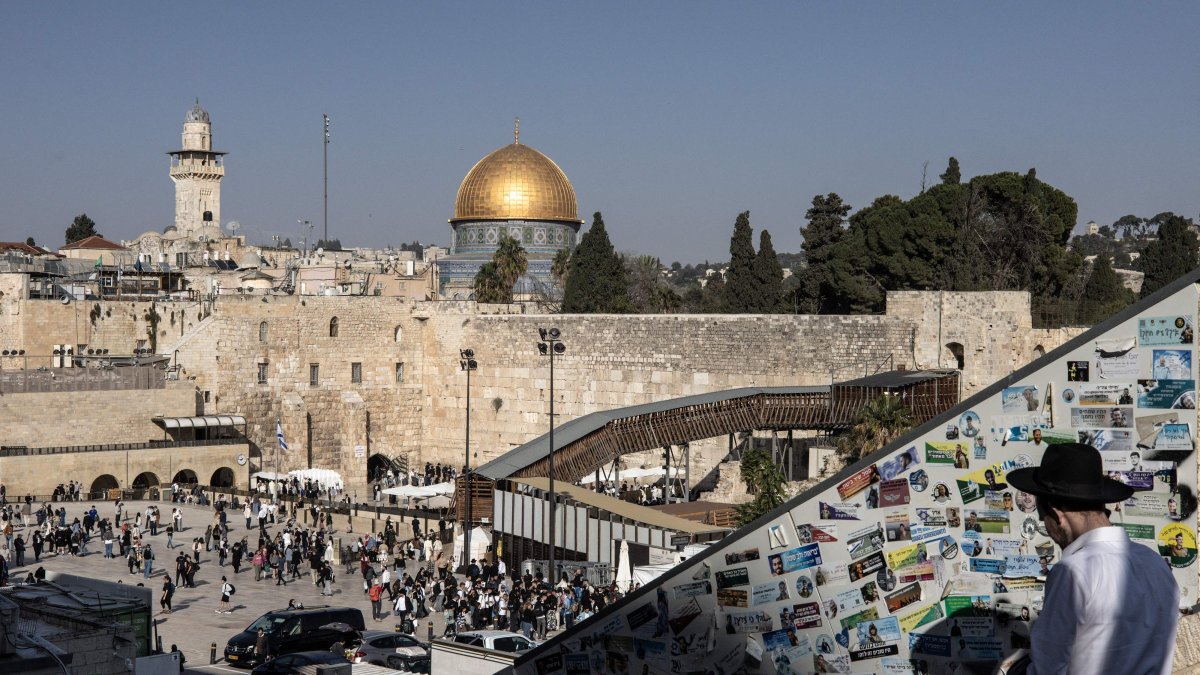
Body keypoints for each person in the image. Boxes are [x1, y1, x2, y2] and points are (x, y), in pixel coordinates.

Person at [1007, 442, 1178, 674]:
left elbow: (1047, 669)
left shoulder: (1073, 571)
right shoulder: (1155, 564)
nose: (1046, 528)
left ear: (1057, 515)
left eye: (1042, 518)